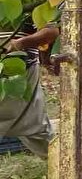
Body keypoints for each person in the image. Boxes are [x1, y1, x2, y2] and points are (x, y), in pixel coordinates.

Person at [1, 23, 59, 159]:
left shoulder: (36, 7)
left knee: (34, 125)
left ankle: (69, 166)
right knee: (35, 127)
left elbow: (53, 30)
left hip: (18, 70)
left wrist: (21, 43)